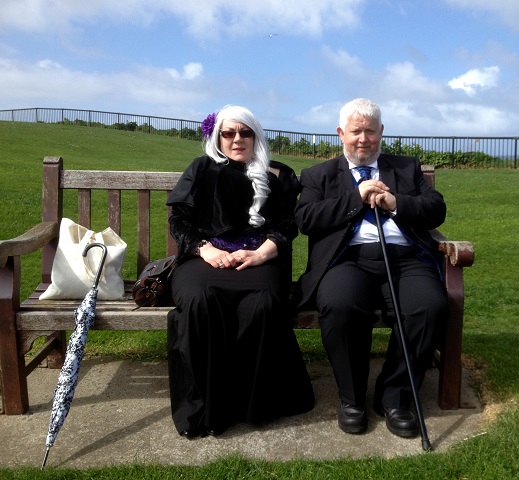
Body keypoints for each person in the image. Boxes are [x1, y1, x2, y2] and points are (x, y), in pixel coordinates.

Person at [294, 98, 448, 438]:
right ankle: (352, 399)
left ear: (381, 132)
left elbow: (435, 209)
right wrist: (356, 196)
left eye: (370, 131)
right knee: (340, 304)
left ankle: (395, 397)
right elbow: (305, 219)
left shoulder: (405, 169)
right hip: (347, 259)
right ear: (340, 134)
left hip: (404, 257)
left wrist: (396, 202)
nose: (363, 139)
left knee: (429, 305)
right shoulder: (318, 175)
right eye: (355, 131)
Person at [166, 105, 314, 438]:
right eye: (229, 132)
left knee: (261, 304)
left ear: (256, 136)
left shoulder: (278, 174)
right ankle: (207, 408)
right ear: (217, 136)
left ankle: (251, 406)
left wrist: (265, 251)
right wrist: (206, 249)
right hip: (205, 257)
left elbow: (291, 223)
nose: (237, 139)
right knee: (199, 300)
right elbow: (179, 220)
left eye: (245, 132)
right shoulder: (201, 169)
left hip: (259, 257)